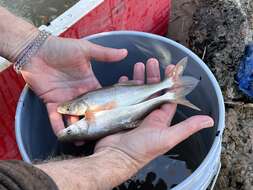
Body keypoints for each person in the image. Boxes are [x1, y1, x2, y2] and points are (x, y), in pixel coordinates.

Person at [0, 6, 214, 190]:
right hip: (121, 111)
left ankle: (167, 88)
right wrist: (119, 160)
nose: (68, 113)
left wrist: (30, 47)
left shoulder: (86, 111)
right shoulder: (87, 114)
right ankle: (167, 91)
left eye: (70, 108)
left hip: (121, 106)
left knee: (157, 91)